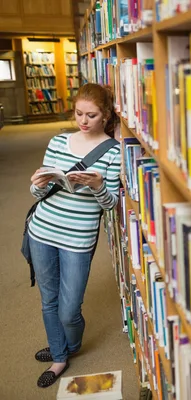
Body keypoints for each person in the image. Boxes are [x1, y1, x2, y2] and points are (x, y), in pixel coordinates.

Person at [28, 83, 121, 388]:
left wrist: (97, 186)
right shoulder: (58, 141)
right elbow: (37, 191)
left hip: (77, 239)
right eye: (79, 113)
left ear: (105, 116)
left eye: (91, 115)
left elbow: (111, 205)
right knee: (49, 300)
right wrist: (39, 183)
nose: (83, 120)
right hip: (42, 229)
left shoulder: (113, 152)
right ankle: (59, 357)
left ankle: (71, 345)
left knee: (69, 310)